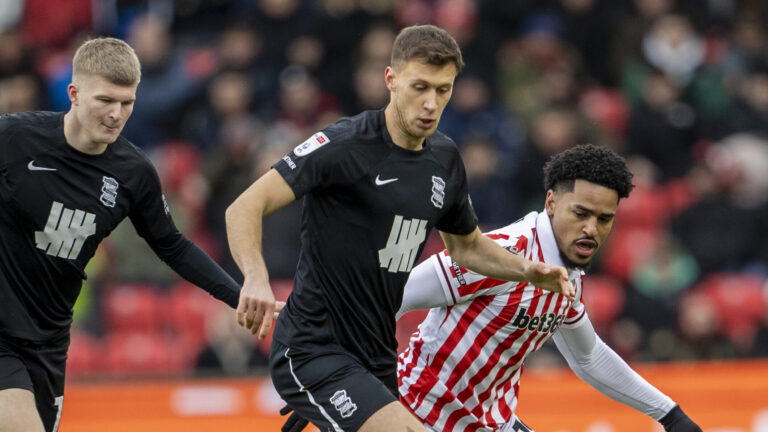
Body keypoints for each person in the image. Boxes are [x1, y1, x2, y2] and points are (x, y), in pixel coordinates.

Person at [226, 24, 574, 432]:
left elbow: (468, 248)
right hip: (313, 348)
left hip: (376, 357)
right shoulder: (345, 144)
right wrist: (255, 277)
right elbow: (244, 206)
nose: (431, 103)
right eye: (419, 87)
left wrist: (528, 270)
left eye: (443, 90)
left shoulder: (444, 159)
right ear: (390, 80)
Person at [0, 37, 242, 432]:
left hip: (49, 342)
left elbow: (174, 246)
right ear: (74, 94)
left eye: (126, 103)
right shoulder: (12, 140)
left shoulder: (133, 173)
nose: (116, 114)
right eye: (105, 100)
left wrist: (239, 297)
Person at [396, 144, 702, 432]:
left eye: (604, 219)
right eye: (581, 214)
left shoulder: (569, 274)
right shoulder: (502, 253)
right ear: (551, 202)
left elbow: (588, 357)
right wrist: (361, 381)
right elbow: (391, 296)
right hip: (418, 415)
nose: (591, 229)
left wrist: (670, 415)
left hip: (489, 422)